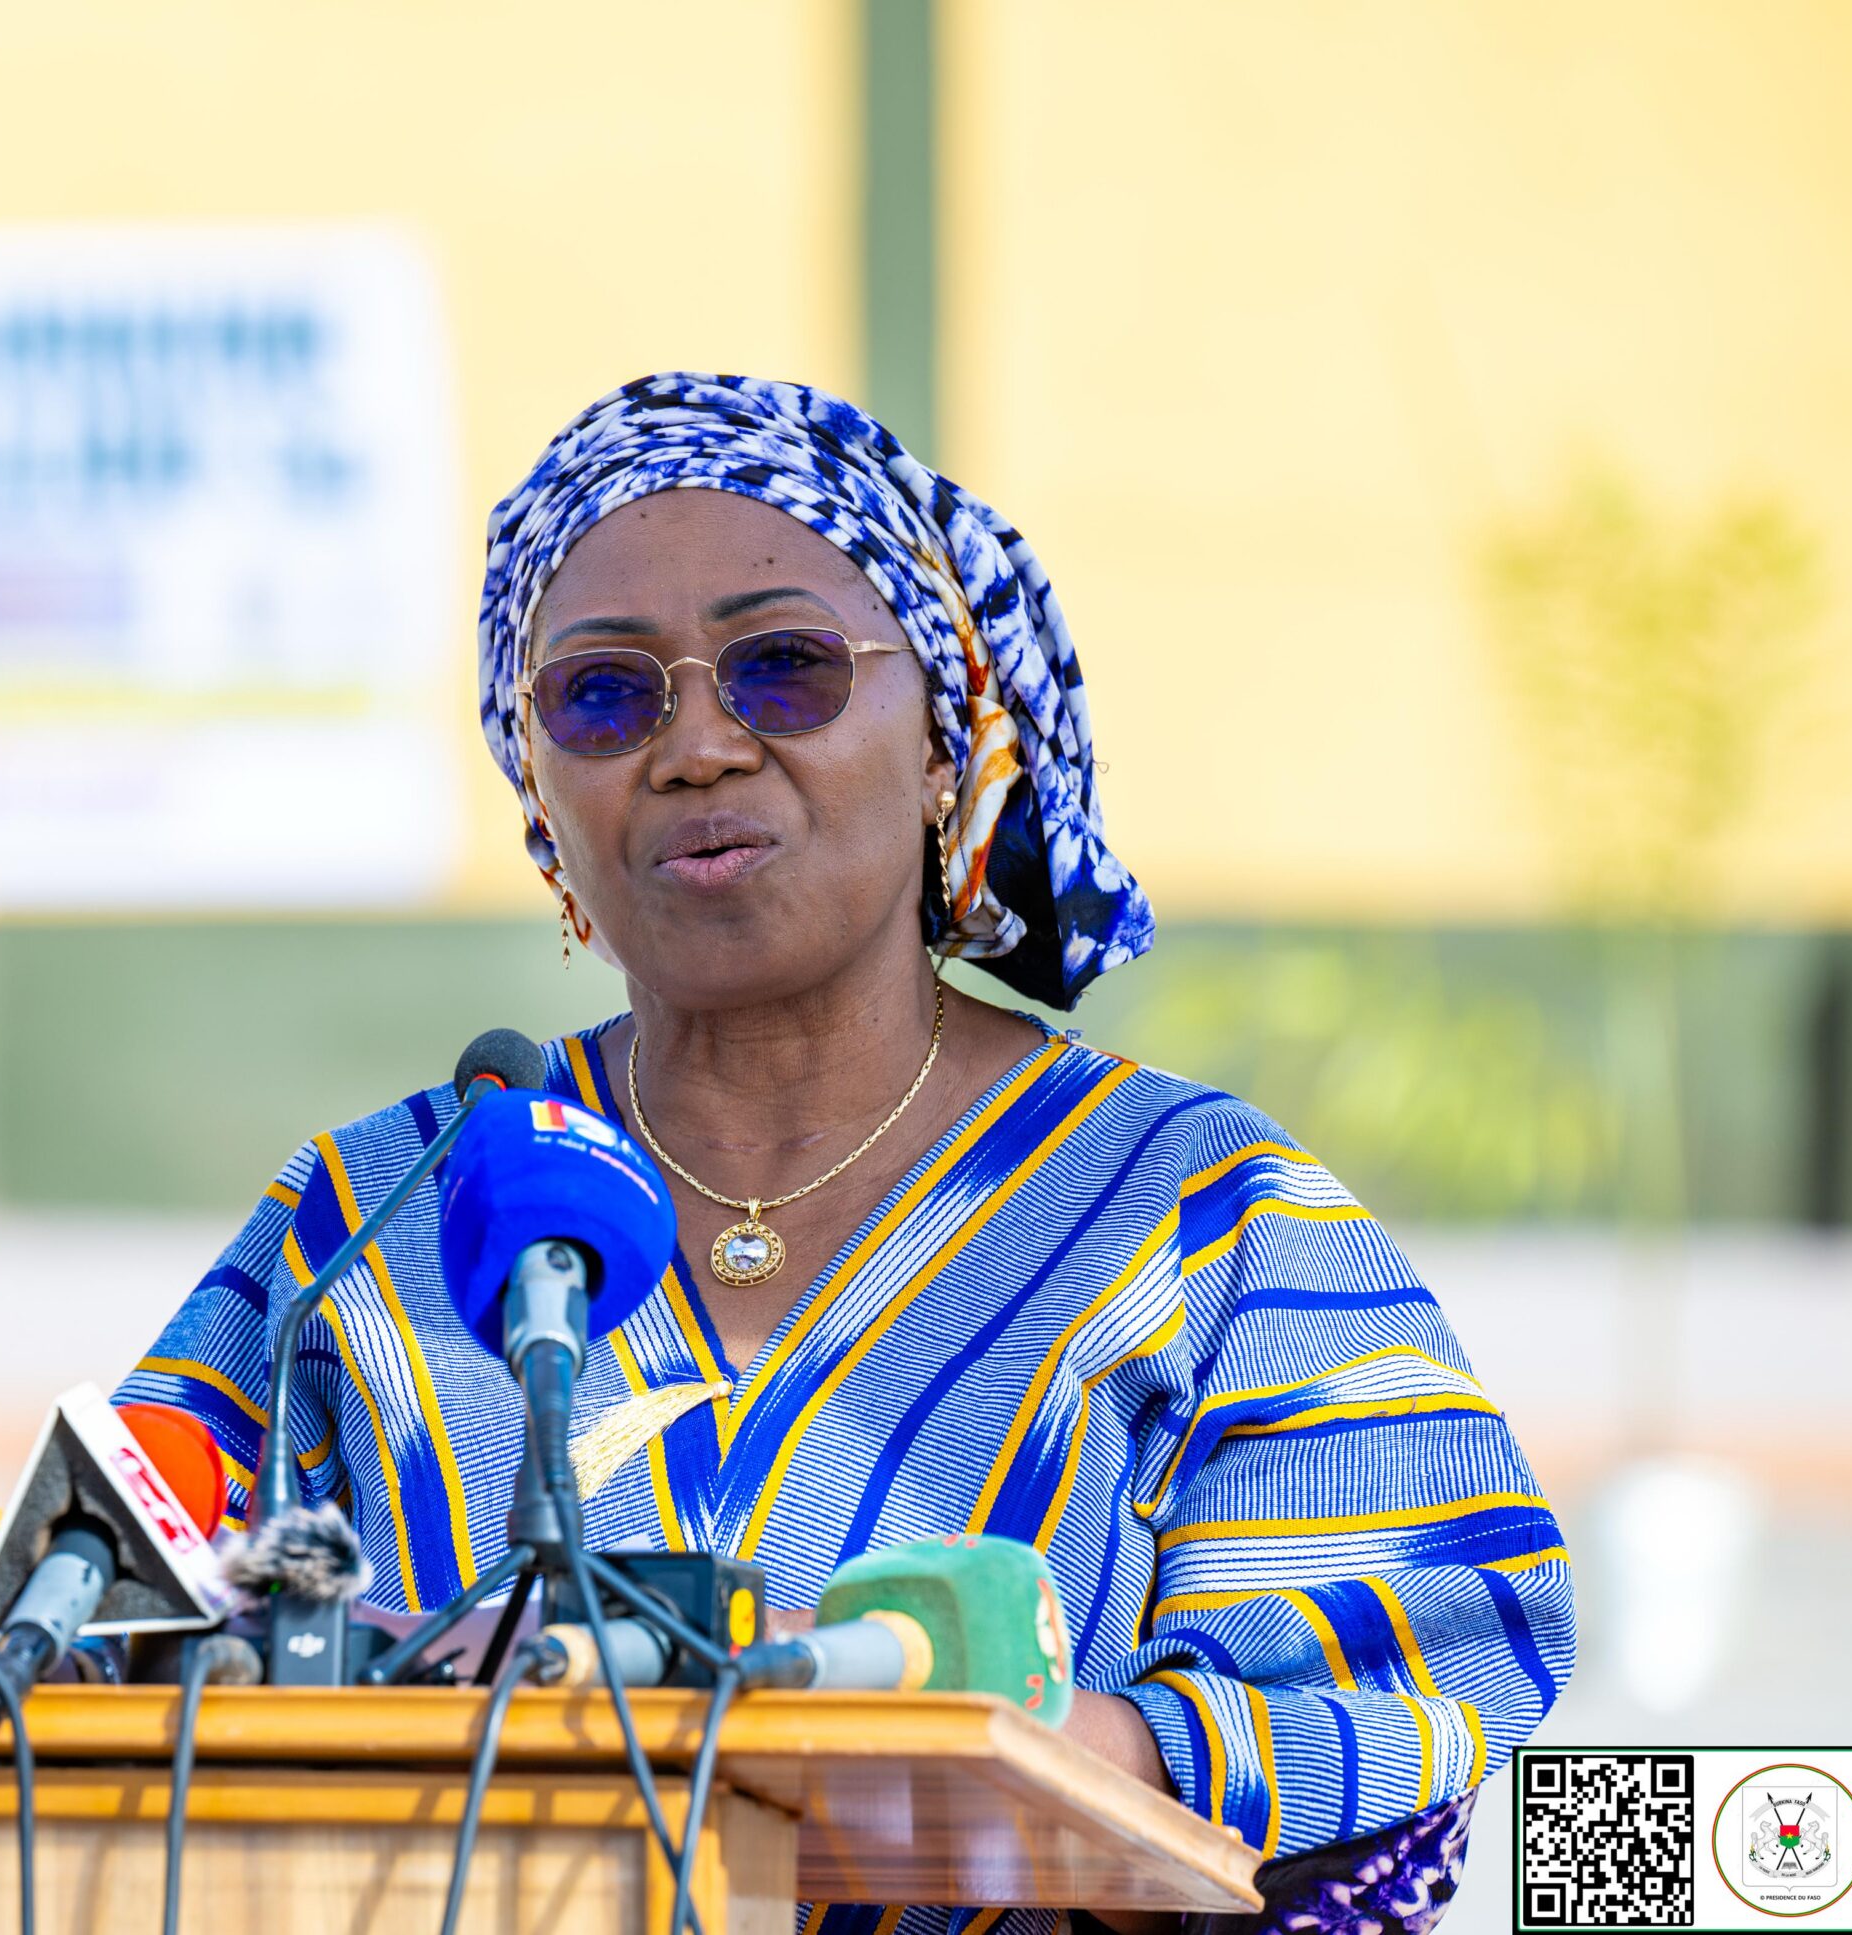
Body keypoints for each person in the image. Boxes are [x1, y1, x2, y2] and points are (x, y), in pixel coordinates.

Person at [117, 373, 1575, 1934]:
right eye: (604, 696)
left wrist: (840, 1724)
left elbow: (1399, 1751)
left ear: (948, 730)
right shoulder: (378, 1204)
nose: (694, 747)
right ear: (542, 801)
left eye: (786, 668)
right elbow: (103, 1635)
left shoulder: (1204, 1218)